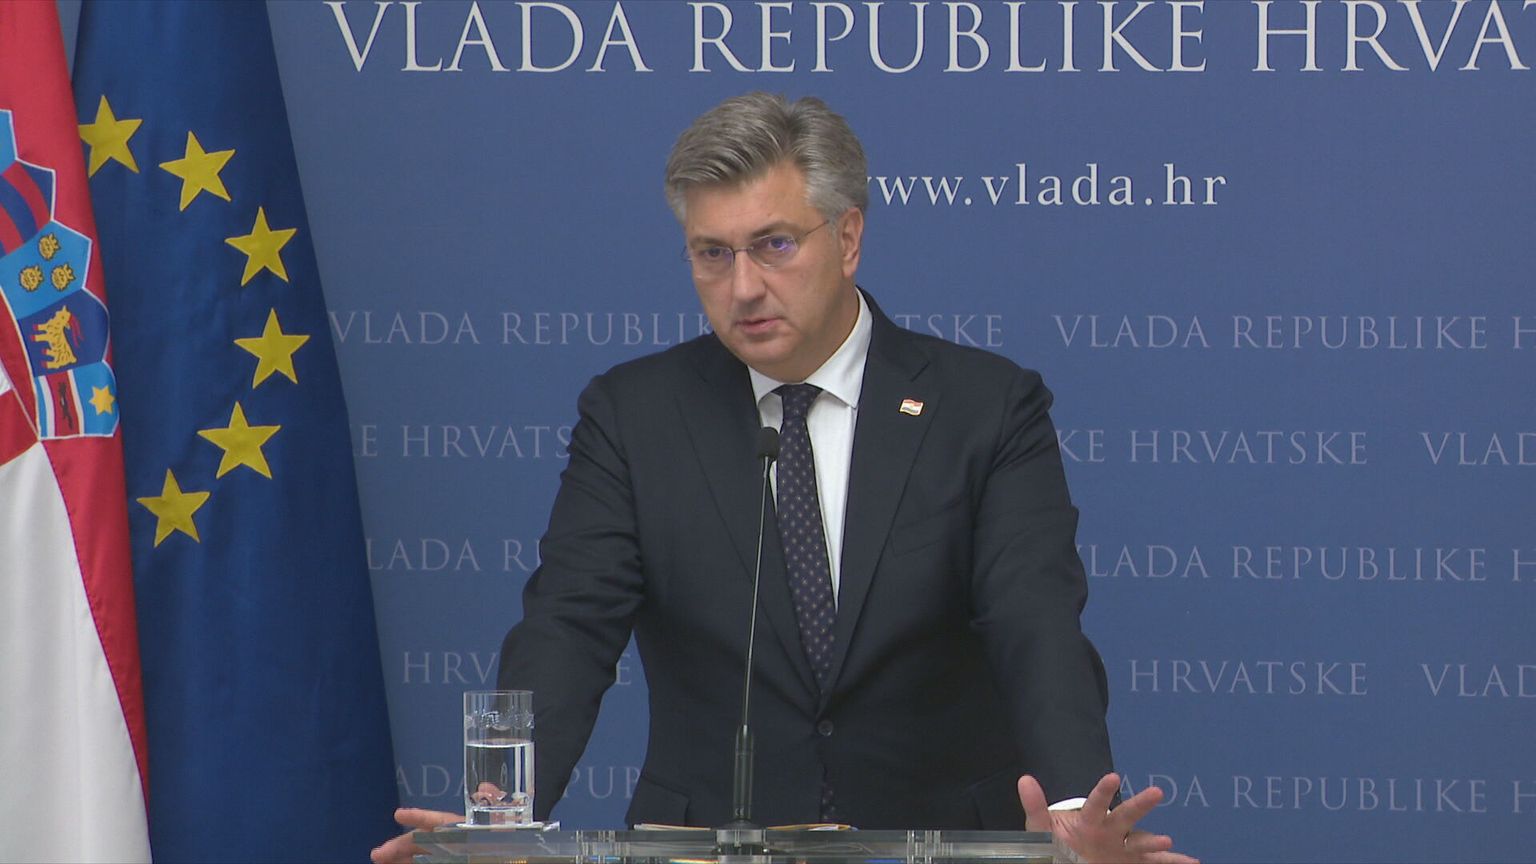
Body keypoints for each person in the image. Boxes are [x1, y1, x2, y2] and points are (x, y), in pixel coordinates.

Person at [373, 93, 1195, 864]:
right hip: (706, 842)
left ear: (847, 238)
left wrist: (1073, 805)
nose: (743, 287)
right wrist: (500, 820)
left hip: (940, 838)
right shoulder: (634, 415)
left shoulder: (985, 407)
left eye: (774, 245)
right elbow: (569, 625)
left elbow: (1034, 621)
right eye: (712, 254)